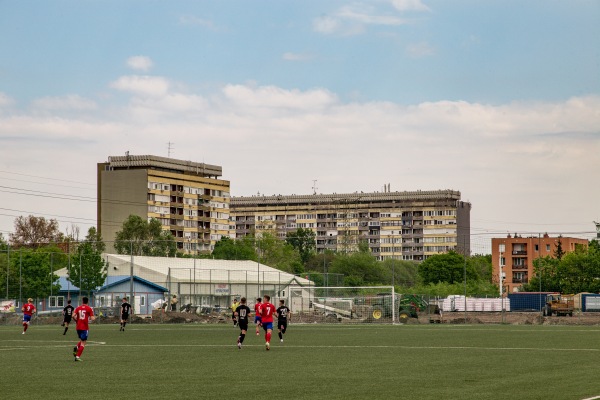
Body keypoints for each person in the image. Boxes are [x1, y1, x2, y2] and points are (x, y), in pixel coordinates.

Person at [72, 296, 95, 362]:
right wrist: (94, 317)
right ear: (88, 301)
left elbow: (73, 316)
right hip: (84, 327)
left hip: (78, 327)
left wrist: (76, 320)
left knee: (82, 340)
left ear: (82, 301)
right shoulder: (89, 308)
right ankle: (77, 356)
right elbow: (92, 318)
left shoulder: (78, 308)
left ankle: (76, 347)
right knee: (83, 343)